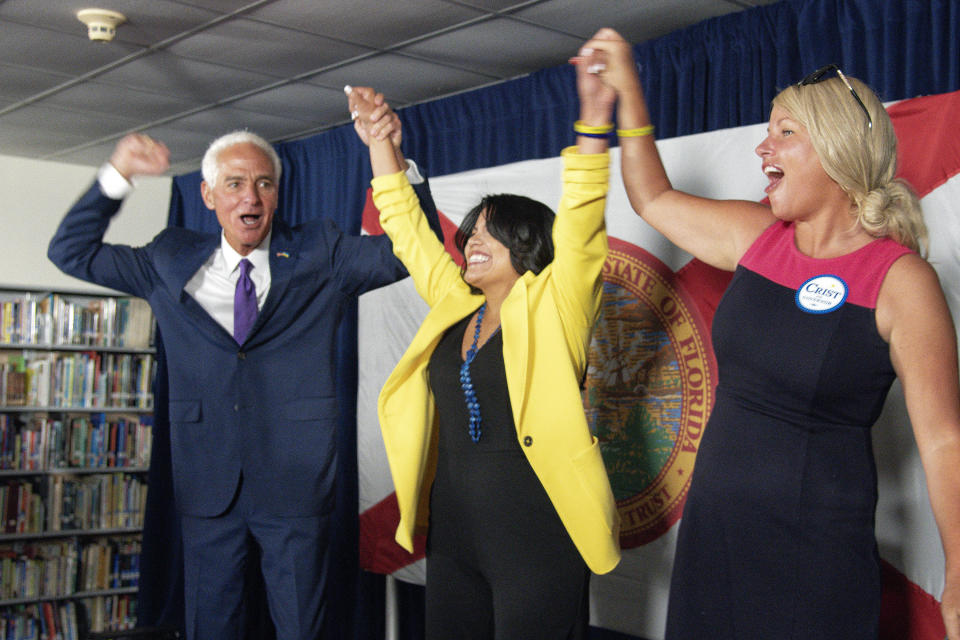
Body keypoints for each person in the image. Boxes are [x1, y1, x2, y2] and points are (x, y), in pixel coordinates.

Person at [580, 28, 960, 639]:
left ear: (837, 151)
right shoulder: (756, 238)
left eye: (785, 133)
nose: (763, 147)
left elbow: (945, 442)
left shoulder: (899, 281)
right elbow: (651, 197)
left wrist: (959, 581)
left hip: (813, 561)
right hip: (716, 539)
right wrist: (628, 93)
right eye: (766, 131)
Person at [47, 119, 440, 640]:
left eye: (264, 183)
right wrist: (119, 172)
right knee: (212, 627)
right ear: (209, 195)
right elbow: (70, 251)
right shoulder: (168, 259)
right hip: (208, 487)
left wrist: (391, 156)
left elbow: (413, 251)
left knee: (303, 629)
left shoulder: (319, 253)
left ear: (277, 195)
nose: (250, 196)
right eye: (234, 184)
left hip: (297, 488)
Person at [344, 52, 621, 640]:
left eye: (492, 230)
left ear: (527, 243)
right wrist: (379, 145)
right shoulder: (457, 303)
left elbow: (581, 220)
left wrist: (595, 118)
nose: (472, 239)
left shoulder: (559, 305)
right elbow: (410, 233)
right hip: (455, 536)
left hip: (540, 536)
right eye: (471, 230)